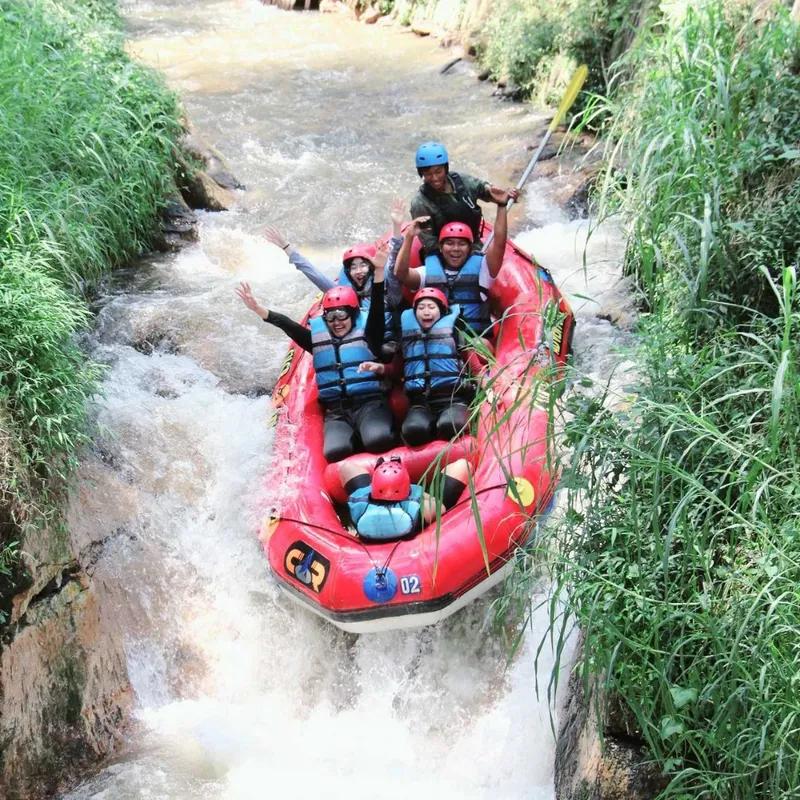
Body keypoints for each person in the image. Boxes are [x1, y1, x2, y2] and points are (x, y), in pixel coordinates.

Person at [236, 269, 394, 463]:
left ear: (353, 314)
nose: (336, 323)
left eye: (341, 315)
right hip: (337, 412)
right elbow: (289, 326)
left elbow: (377, 308)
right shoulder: (317, 341)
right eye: (330, 317)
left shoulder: (370, 334)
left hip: (369, 403)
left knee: (378, 439)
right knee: (335, 452)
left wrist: (378, 273)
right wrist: (258, 309)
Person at [261, 199, 407, 357]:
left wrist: (397, 227)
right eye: (353, 267)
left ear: (372, 267)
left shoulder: (389, 288)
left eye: (363, 265)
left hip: (387, 346)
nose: (358, 271)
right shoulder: (343, 293)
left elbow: (393, 261)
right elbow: (313, 273)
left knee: (384, 352)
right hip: (355, 345)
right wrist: (286, 247)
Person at [359, 287, 474, 446]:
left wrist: (489, 385)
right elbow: (397, 369)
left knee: (450, 425)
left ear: (441, 311)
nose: (426, 312)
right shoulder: (408, 337)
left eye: (431, 307)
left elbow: (474, 365)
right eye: (421, 308)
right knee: (413, 431)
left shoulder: (455, 333)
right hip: (421, 402)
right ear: (414, 312)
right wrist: (380, 368)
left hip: (452, 399)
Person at [393, 195, 514, 337]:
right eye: (449, 243)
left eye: (462, 244)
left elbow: (499, 244)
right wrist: (409, 237)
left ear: (470, 248)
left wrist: (501, 206)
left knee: (485, 346)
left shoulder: (483, 270)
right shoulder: (428, 272)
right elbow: (400, 273)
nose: (455, 249)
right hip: (439, 343)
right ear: (440, 247)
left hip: (472, 342)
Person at [410, 141, 520, 254]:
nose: (434, 178)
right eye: (428, 174)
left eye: (438, 172)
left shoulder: (462, 181)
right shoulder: (420, 203)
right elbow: (429, 242)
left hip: (472, 245)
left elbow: (485, 190)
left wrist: (505, 195)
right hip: (443, 253)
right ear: (421, 174)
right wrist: (457, 254)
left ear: (445, 168)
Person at [338, 455, 471, 540]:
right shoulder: (419, 509)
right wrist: (417, 492)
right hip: (413, 524)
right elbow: (439, 507)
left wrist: (374, 486)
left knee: (347, 467)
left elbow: (346, 469)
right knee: (463, 466)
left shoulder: (357, 504)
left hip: (369, 525)